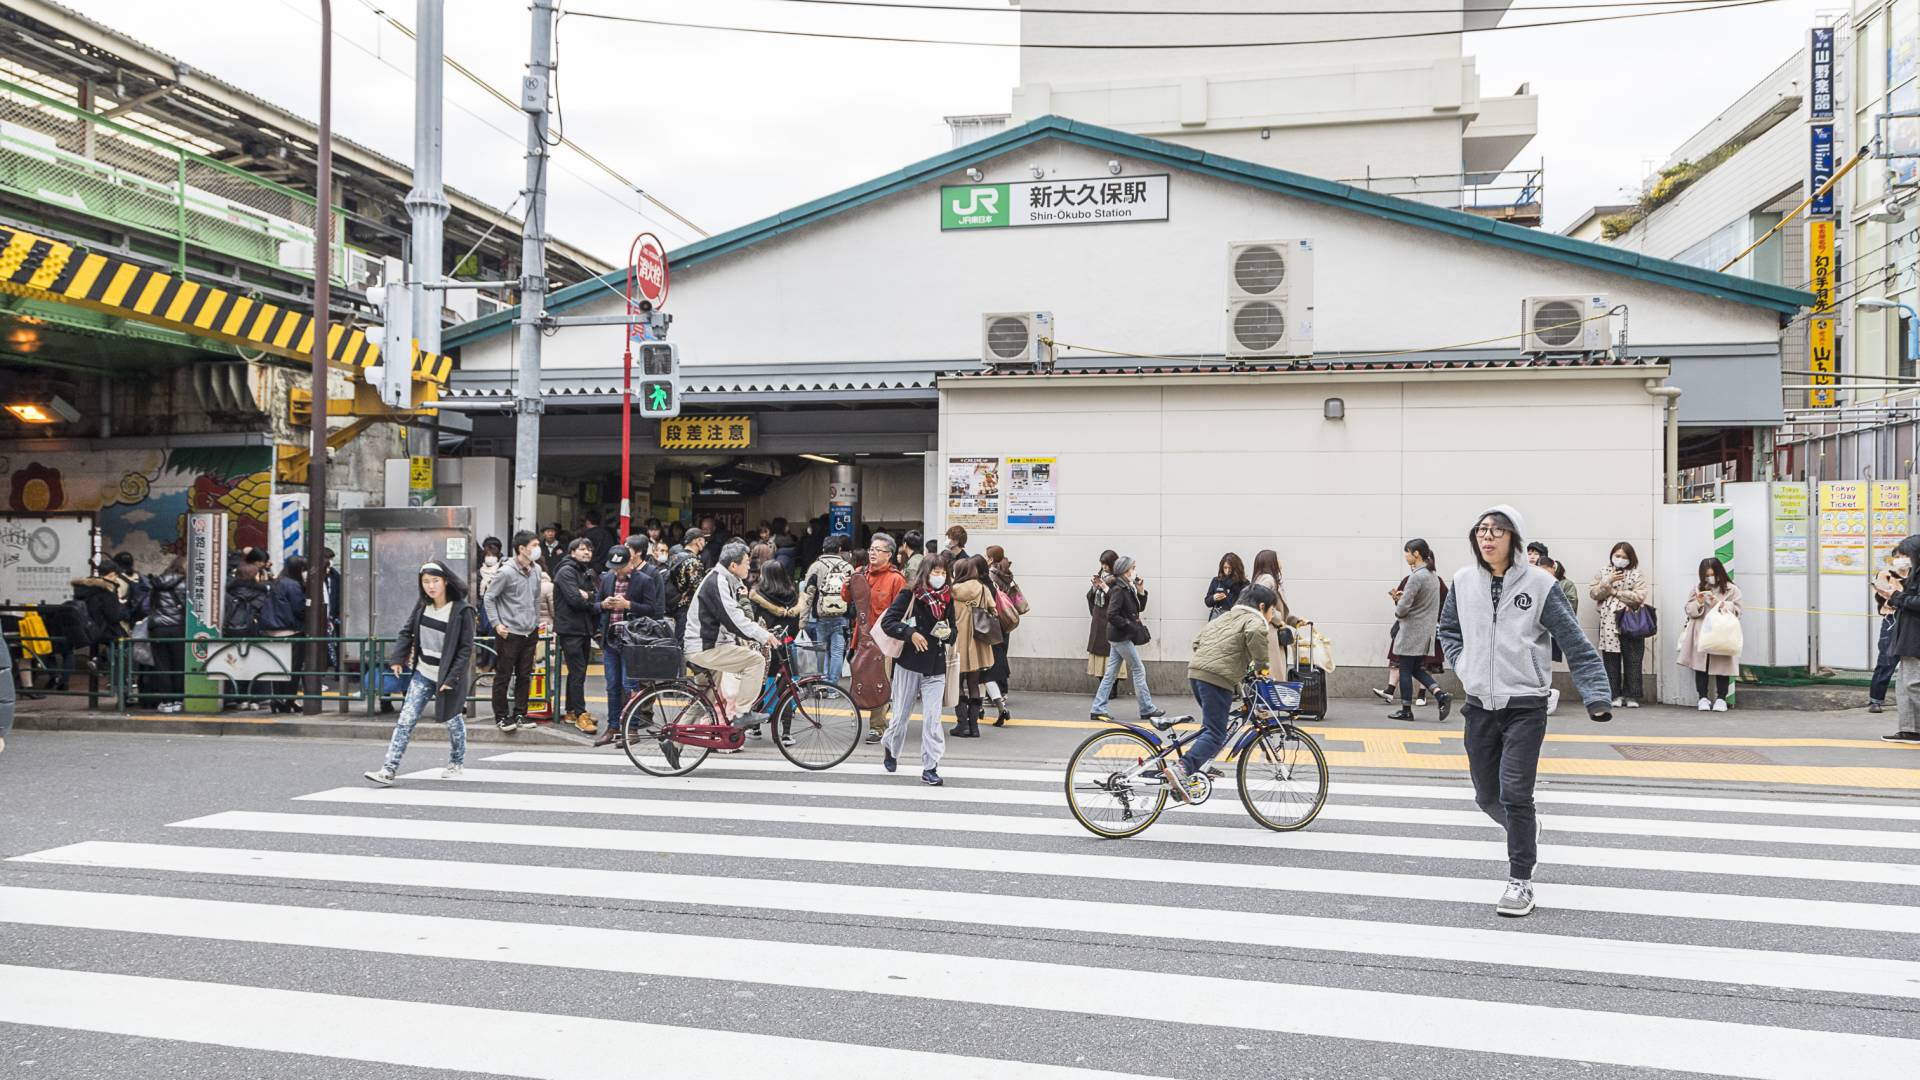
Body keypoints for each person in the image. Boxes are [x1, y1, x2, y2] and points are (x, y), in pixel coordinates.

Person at [1437, 505, 1613, 918]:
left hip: (1525, 706)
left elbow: (1574, 641)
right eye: (1482, 530)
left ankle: (1521, 881)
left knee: (1516, 794)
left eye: (1498, 530)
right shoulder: (1463, 582)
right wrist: (1463, 665)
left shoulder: (1539, 584)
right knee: (1486, 796)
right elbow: (1448, 631)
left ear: (1515, 538)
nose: (1488, 537)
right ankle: (1525, 828)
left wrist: (1596, 696)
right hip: (1479, 705)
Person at [364, 561, 476, 785]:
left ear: (445, 581)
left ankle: (456, 761)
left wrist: (452, 679)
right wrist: (397, 658)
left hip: (448, 677)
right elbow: (407, 631)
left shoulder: (462, 611)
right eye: (426, 582)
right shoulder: (422, 605)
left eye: (435, 581)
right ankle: (388, 769)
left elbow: (465, 650)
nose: (430, 586)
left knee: (453, 720)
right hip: (423, 672)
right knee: (405, 720)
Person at [1168, 584, 1277, 795]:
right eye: (1272, 610)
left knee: (1212, 727)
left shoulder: (1224, 617)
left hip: (1197, 674)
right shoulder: (1254, 621)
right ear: (1262, 606)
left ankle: (1198, 766)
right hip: (1217, 680)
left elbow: (1197, 641)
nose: (1272, 616)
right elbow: (1255, 632)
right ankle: (1182, 768)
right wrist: (1263, 669)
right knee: (1217, 733)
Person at [879, 553, 957, 786]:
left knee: (932, 719)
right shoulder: (909, 594)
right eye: (936, 572)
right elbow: (888, 622)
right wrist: (910, 634)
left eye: (943, 573)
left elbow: (954, 630)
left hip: (935, 665)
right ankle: (890, 747)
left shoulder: (947, 597)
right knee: (901, 715)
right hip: (909, 663)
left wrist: (947, 634)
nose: (940, 577)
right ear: (926, 572)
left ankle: (930, 767)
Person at [683, 541, 776, 730]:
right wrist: (762, 635)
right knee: (756, 661)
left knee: (707, 697)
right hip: (706, 647)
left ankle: (673, 742)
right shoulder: (718, 581)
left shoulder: (725, 580)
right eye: (746, 562)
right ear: (733, 566)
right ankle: (742, 713)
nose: (749, 566)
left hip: (705, 646)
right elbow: (734, 619)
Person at [846, 532, 908, 742]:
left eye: (878, 550)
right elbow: (847, 598)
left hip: (884, 639)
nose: (872, 553)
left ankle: (877, 725)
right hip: (862, 635)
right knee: (862, 677)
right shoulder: (860, 573)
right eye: (871, 549)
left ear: (889, 554)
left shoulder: (896, 579)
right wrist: (848, 584)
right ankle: (873, 714)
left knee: (879, 679)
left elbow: (903, 611)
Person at [1091, 556, 1163, 722]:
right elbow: (1112, 614)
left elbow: (1140, 608)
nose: (1134, 571)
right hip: (1120, 636)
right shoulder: (1118, 589)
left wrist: (1141, 590)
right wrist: (1131, 626)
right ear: (1124, 570)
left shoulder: (1127, 587)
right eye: (1132, 568)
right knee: (1138, 669)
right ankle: (1146, 708)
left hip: (1118, 636)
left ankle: (1098, 708)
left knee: (1110, 673)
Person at [484, 530, 543, 732]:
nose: (537, 549)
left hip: (529, 630)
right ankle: (501, 716)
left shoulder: (536, 570)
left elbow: (536, 598)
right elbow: (489, 597)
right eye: (534, 545)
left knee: (525, 675)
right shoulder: (506, 572)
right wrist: (497, 624)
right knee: (504, 675)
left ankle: (520, 714)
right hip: (509, 632)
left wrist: (536, 621)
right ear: (521, 548)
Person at [1388, 539, 1452, 722]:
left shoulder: (1416, 576)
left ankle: (1406, 710)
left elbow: (1403, 608)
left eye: (1407, 552)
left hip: (1411, 630)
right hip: (1426, 630)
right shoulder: (1433, 576)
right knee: (1416, 668)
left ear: (1416, 554)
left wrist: (1397, 602)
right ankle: (1440, 695)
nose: (1406, 556)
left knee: (1405, 669)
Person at [1676, 557, 1743, 712]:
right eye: (1706, 575)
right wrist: (1698, 602)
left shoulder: (1732, 589)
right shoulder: (1697, 589)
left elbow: (1738, 611)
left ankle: (1721, 698)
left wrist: (1719, 603)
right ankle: (1702, 697)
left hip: (1722, 634)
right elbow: (1689, 611)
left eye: (1712, 574)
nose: (1710, 578)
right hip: (1701, 632)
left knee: (1723, 666)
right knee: (1701, 666)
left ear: (1720, 572)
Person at [1590, 541, 1651, 708]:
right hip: (1608, 623)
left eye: (1624, 557)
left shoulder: (1637, 575)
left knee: (1633, 659)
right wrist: (1608, 581)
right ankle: (1614, 694)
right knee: (1611, 659)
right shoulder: (1603, 572)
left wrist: (1615, 592)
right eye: (1617, 556)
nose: (1620, 559)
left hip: (1631, 621)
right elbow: (1594, 593)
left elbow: (1639, 597)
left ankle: (1632, 696)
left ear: (1631, 559)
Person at [551, 537, 600, 735]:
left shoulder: (585, 571)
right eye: (582, 549)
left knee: (576, 672)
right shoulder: (566, 571)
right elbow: (574, 600)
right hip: (570, 629)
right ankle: (580, 714)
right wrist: (587, 596)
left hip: (582, 628)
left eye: (589, 549)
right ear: (572, 552)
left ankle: (571, 711)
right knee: (578, 672)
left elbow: (597, 595)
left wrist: (587, 594)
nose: (587, 552)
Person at [947, 555, 998, 739]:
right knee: (974, 684)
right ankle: (974, 726)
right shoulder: (983, 589)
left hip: (958, 642)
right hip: (979, 642)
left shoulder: (953, 591)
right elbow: (994, 611)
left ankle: (962, 725)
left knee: (957, 683)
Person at [799, 535, 855, 684]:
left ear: (823, 549)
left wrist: (802, 621)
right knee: (837, 652)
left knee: (821, 651)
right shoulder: (848, 567)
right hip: (842, 617)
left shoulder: (815, 567)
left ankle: (822, 685)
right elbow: (855, 594)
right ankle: (833, 687)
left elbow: (808, 596)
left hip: (822, 616)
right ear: (839, 550)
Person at [983, 546, 1025, 726]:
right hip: (1006, 620)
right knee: (1001, 654)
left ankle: (992, 696)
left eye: (987, 556)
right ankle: (1002, 691)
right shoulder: (1008, 573)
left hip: (994, 620)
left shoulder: (991, 575)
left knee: (990, 659)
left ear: (991, 558)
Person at [1885, 534, 1920, 743]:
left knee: (1914, 684)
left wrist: (1897, 597)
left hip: (1916, 636)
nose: (1902, 559)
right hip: (1908, 635)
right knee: (1903, 685)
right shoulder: (1912, 575)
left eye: (1905, 554)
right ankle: (1911, 729)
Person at [261, 557, 308, 712]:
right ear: (298, 570)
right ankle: (288, 700)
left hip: (272, 631)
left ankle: (279, 699)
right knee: (292, 669)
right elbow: (299, 609)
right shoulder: (293, 585)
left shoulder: (279, 582)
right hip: (290, 631)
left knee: (278, 668)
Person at [145, 555, 188, 713]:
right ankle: (178, 699)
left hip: (157, 628)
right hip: (178, 627)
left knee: (162, 665)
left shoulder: (157, 582)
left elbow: (148, 605)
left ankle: (166, 701)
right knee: (178, 665)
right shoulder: (186, 583)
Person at [1870, 548, 1909, 714]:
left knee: (1913, 663)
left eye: (1905, 556)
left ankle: (1911, 702)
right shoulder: (1885, 574)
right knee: (1886, 660)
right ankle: (1876, 700)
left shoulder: (1916, 576)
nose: (1902, 560)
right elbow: (1882, 597)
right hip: (1892, 619)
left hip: (1912, 620)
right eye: (1898, 557)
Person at [1085, 549, 1121, 679]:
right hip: (1098, 620)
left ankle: (1113, 687)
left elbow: (1118, 599)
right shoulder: (1101, 576)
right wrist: (1095, 587)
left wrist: (1105, 588)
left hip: (1110, 620)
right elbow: (1090, 597)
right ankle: (1102, 684)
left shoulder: (1118, 580)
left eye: (1106, 564)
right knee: (1099, 653)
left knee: (1112, 654)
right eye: (1102, 564)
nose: (1104, 567)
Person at [668, 528, 708, 640]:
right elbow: (698, 588)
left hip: (674, 603)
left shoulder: (675, 557)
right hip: (688, 607)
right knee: (685, 641)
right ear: (697, 541)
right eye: (704, 540)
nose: (704, 544)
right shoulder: (693, 562)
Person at [1204, 553, 1248, 621]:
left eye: (1230, 568)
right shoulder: (1217, 580)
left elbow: (1247, 603)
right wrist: (1214, 598)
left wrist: (1231, 584)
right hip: (1218, 620)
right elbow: (1207, 602)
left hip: (1235, 620)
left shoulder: (1243, 583)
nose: (1227, 570)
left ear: (1236, 568)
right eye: (1225, 567)